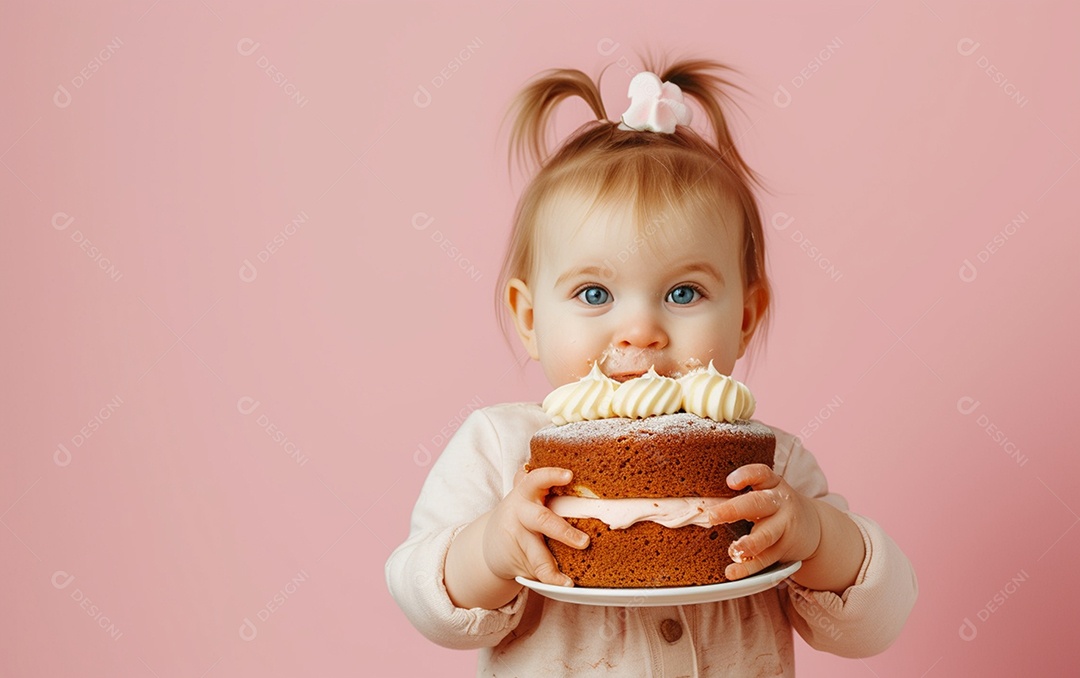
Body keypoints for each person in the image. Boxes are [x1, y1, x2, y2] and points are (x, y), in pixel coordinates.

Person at [386, 57, 917, 676]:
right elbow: (421, 596)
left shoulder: (771, 467)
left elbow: (876, 624)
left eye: (683, 293)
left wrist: (820, 538)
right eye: (594, 294)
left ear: (746, 317)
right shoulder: (500, 448)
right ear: (528, 317)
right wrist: (490, 549)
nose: (640, 331)